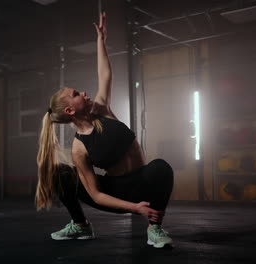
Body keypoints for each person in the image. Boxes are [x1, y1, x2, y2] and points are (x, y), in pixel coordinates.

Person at [35, 11, 174, 248]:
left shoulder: (102, 109)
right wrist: (134, 208)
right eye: (76, 94)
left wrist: (101, 40)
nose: (84, 93)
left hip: (142, 182)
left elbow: (105, 74)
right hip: (116, 194)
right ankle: (80, 225)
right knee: (59, 173)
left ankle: (155, 228)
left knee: (160, 167)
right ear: (69, 111)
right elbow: (97, 195)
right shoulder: (79, 147)